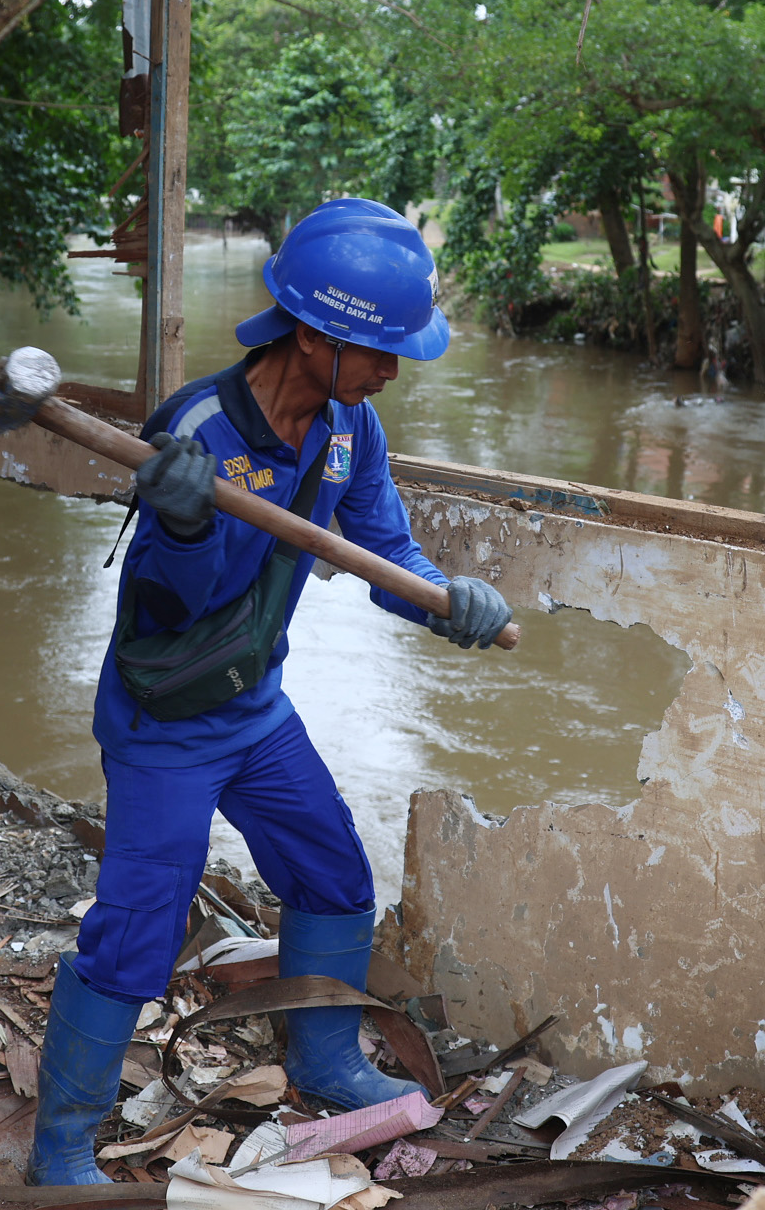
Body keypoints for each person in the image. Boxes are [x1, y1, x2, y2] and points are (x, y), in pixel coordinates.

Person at [29, 197, 514, 1186]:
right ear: (314, 337)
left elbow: (386, 553)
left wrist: (448, 600)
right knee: (137, 933)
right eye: (379, 352)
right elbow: (173, 607)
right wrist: (185, 526)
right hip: (166, 718)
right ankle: (62, 1141)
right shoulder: (194, 431)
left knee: (334, 872)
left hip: (255, 709)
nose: (391, 372)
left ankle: (327, 1058)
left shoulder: (350, 429)